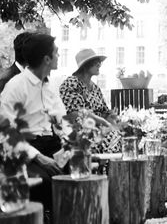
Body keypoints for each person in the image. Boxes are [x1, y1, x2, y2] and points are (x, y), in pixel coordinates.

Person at [0, 33, 64, 210]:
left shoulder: (49, 86)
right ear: (46, 59)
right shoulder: (15, 86)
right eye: (56, 52)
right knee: (44, 180)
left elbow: (62, 120)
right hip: (26, 149)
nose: (59, 56)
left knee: (78, 169)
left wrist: (71, 142)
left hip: (50, 144)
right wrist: (38, 157)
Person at [59, 48, 120, 153]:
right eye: (95, 62)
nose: (99, 64)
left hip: (100, 132)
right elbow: (75, 114)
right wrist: (103, 122)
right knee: (115, 141)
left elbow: (105, 113)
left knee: (125, 137)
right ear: (85, 66)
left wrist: (114, 119)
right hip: (82, 133)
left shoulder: (95, 88)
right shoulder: (71, 83)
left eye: (99, 62)